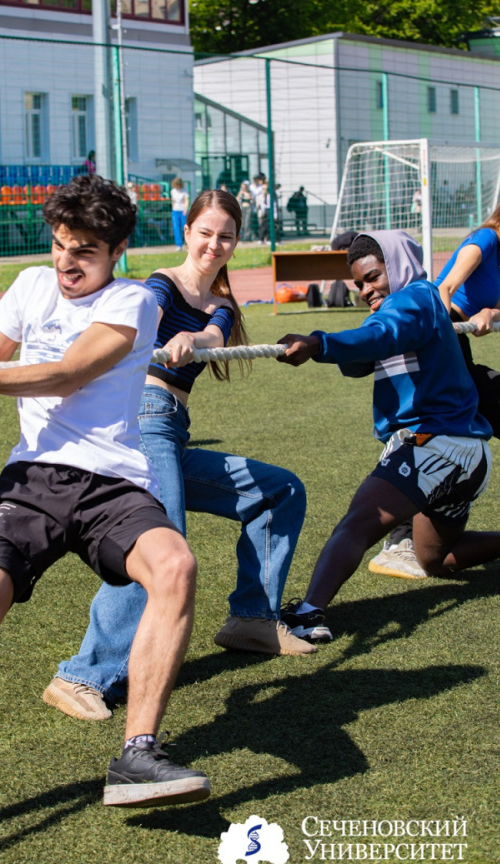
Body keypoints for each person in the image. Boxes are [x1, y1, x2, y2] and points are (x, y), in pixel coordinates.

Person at [0, 174, 211, 863]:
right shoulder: (34, 284)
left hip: (110, 482)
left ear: (118, 250)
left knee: (175, 566)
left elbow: (67, 373)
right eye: (62, 245)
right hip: (32, 480)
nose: (68, 263)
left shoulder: (134, 302)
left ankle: (137, 753)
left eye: (86, 251)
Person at [43, 189, 312, 725]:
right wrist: (174, 334)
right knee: (162, 542)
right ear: (185, 233)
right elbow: (142, 320)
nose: (215, 244)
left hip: (172, 429)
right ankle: (82, 674)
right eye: (205, 233)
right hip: (143, 418)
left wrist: (200, 334)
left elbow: (212, 330)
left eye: (226, 236)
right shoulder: (158, 287)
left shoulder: (220, 303)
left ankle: (252, 620)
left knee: (280, 491)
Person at [276, 230, 500, 643]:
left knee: (358, 522)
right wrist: (336, 346)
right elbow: (364, 355)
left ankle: (309, 613)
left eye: (373, 277)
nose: (366, 290)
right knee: (433, 558)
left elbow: (381, 337)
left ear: (398, 265)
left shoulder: (416, 297)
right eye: (359, 285)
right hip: (469, 456)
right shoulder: (409, 309)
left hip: (433, 445)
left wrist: (318, 342)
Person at [369, 189, 500, 579]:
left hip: (460, 340)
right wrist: (451, 332)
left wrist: (490, 313)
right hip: (440, 334)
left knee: (498, 402)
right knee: (439, 420)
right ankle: (397, 540)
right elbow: (445, 289)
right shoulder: (484, 239)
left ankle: (403, 536)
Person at [170, 177, 189, 250]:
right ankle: (179, 244)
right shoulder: (173, 191)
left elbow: (186, 200)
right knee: (176, 227)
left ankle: (188, 244)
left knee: (184, 228)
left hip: (182, 210)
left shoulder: (184, 191)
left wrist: (185, 209)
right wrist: (173, 207)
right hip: (175, 210)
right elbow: (173, 201)